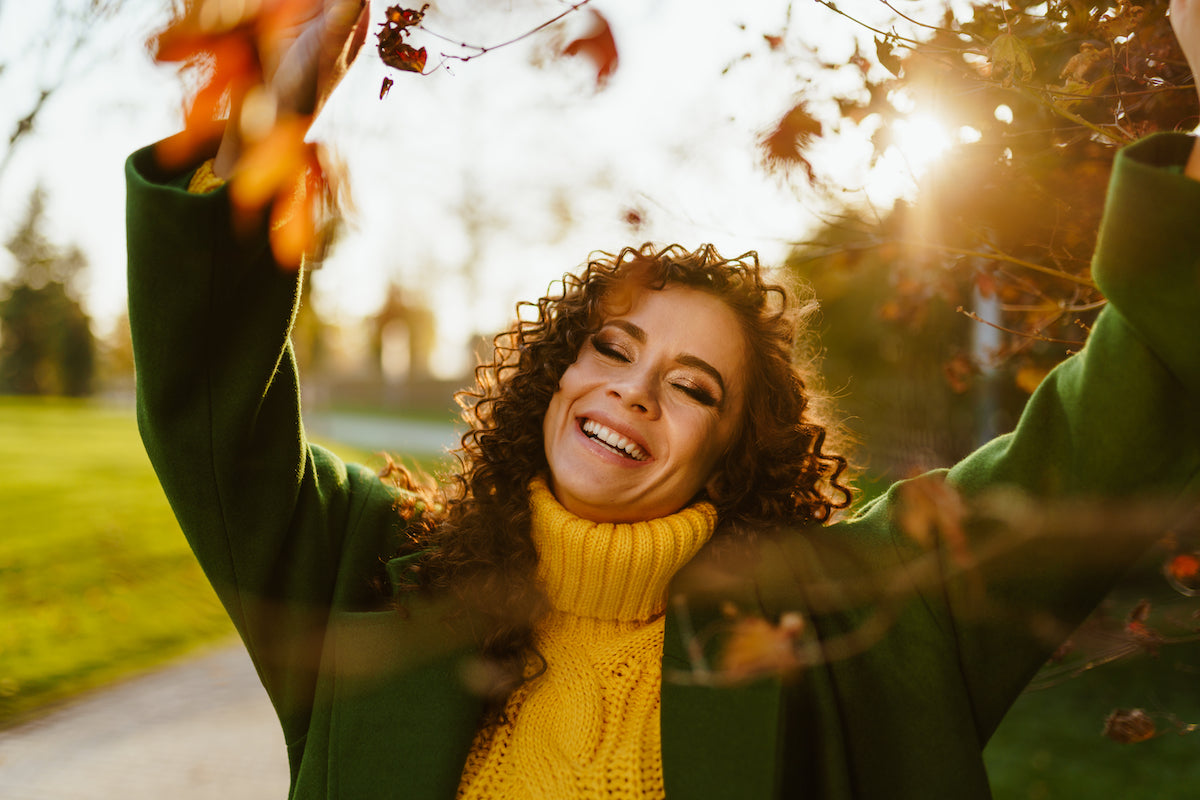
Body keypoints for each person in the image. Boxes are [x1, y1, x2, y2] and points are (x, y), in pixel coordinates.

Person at [127, 1, 1200, 797]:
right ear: (556, 370)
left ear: (735, 453)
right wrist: (265, 125)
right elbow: (211, 411)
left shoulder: (860, 624)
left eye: (693, 387)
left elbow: (1104, 433)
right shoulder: (374, 571)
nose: (631, 393)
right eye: (612, 346)